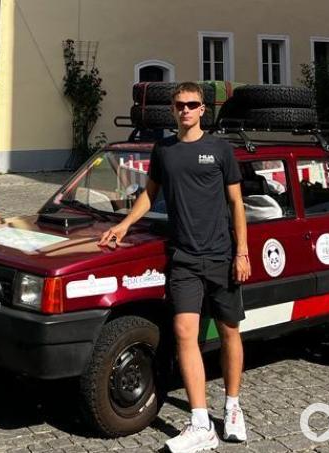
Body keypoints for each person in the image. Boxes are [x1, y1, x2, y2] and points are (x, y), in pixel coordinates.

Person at [99, 82, 251, 452]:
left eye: (192, 104)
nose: (185, 110)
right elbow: (149, 194)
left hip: (221, 256)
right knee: (184, 333)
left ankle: (232, 406)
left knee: (230, 331)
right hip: (184, 258)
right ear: (172, 109)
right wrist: (124, 224)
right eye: (180, 105)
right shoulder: (164, 150)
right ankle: (200, 423)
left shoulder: (220, 150)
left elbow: (236, 203)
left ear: (202, 110)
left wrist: (242, 252)